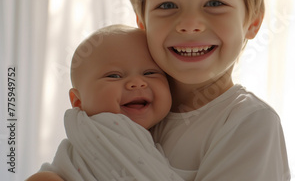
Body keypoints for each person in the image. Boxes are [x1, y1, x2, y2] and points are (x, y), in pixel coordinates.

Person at [127, 0, 290, 180]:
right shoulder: (131, 110)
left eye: (214, 3)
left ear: (252, 21)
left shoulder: (250, 122)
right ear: (142, 22)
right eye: (167, 5)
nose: (190, 24)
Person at [27, 24, 183, 181]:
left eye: (150, 73)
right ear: (78, 101)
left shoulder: (174, 134)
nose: (137, 83)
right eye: (114, 76)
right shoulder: (97, 126)